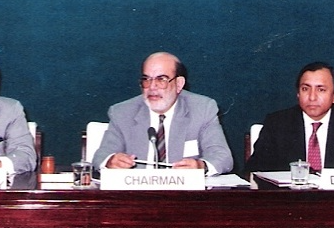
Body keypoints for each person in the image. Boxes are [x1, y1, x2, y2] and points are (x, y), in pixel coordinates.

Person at [92, 52, 233, 175]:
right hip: (136, 197)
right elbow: (101, 156)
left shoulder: (202, 108)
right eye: (146, 79)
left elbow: (222, 157)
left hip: (184, 199)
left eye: (161, 79)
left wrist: (201, 166)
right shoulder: (122, 112)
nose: (152, 87)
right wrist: (110, 161)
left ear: (179, 84)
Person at [245, 62, 334, 172]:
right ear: (298, 93)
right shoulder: (277, 123)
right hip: (291, 196)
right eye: (305, 89)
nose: (312, 97)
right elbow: (255, 170)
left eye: (321, 90)